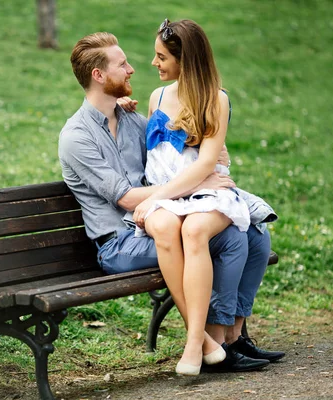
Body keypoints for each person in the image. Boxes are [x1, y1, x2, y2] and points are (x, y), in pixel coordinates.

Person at [58, 31, 284, 375]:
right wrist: (198, 181)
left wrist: (210, 157)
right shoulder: (77, 137)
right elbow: (128, 198)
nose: (133, 69)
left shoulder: (131, 120)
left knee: (254, 234)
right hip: (119, 242)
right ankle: (211, 341)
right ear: (99, 76)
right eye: (123, 64)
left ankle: (231, 339)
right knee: (230, 239)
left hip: (156, 225)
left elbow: (170, 157)